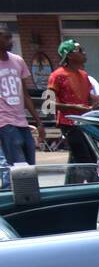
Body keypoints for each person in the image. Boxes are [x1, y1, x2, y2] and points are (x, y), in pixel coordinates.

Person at [47, 39, 98, 183]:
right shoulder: (57, 75)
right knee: (85, 159)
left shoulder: (83, 74)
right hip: (68, 122)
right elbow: (48, 103)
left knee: (81, 158)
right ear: (69, 55)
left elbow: (88, 97)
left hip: (85, 122)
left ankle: (70, 186)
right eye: (79, 51)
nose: (84, 53)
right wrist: (75, 107)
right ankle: (90, 188)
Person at [0, 27, 45, 176]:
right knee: (18, 165)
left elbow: (25, 94)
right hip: (4, 121)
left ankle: (29, 194)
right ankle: (19, 196)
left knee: (30, 163)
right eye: (6, 38)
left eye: (10, 37)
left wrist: (39, 122)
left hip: (21, 120)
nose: (10, 41)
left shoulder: (17, 60)